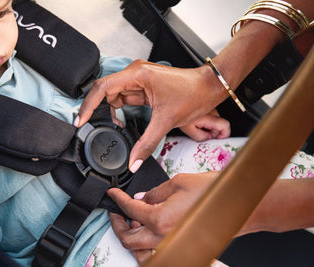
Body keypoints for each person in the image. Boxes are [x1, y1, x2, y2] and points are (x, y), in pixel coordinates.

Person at [0, 0, 231, 266]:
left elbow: (112, 77)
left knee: (258, 168)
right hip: (83, 241)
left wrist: (172, 106)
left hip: (146, 160)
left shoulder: (34, 51)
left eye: (0, 13)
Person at [74, 0, 314, 264]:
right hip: (98, 220)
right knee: (299, 166)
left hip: (140, 187)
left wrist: (239, 208)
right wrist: (213, 80)